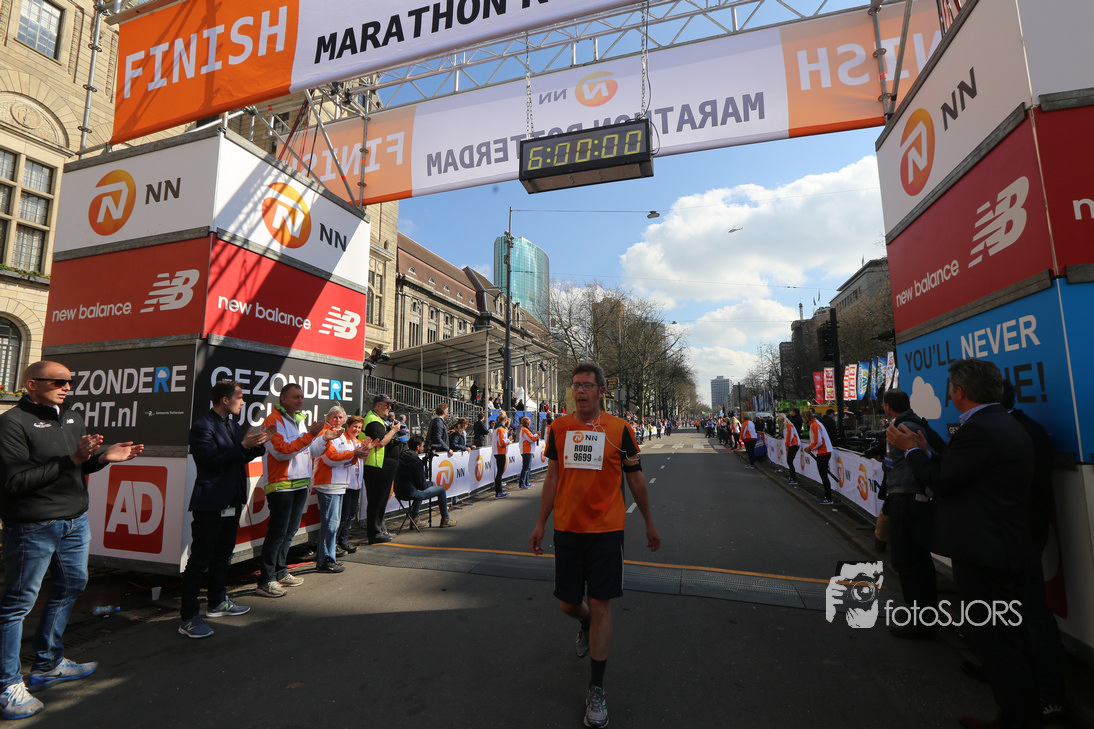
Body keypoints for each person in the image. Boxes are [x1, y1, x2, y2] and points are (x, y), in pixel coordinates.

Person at [888, 358, 1038, 729]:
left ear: (959, 392)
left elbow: (944, 480)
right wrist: (926, 450)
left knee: (997, 642)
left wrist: (912, 451)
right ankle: (1013, 716)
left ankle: (1016, 719)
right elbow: (960, 472)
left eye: (951, 389)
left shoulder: (980, 429)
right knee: (1006, 640)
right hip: (999, 544)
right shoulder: (1001, 423)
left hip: (984, 549)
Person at [0, 361, 144, 719]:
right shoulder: (11, 423)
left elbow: (80, 464)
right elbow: (14, 483)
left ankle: (48, 664)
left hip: (75, 522)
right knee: (18, 604)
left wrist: (103, 458)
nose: (67, 387)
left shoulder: (71, 417)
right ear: (31, 385)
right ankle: (7, 685)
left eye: (70, 382)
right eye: (58, 382)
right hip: (32, 527)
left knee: (72, 586)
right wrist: (73, 459)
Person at [530, 362, 661, 729]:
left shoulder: (620, 430)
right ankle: (583, 621)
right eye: (576, 385)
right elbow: (552, 477)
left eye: (587, 385)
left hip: (607, 530)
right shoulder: (558, 428)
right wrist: (540, 523)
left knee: (602, 604)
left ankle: (597, 688)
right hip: (567, 529)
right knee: (568, 604)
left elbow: (635, 478)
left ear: (602, 391)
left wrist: (649, 522)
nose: (580, 391)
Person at [179, 380, 269, 639]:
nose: (243, 402)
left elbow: (235, 458)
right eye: (239, 397)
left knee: (223, 554)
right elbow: (210, 462)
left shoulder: (232, 424)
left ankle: (217, 602)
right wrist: (242, 447)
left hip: (232, 498)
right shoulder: (202, 426)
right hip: (210, 502)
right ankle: (188, 617)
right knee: (200, 559)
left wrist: (257, 446)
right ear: (225, 400)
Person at [1001, 381, 1066, 721]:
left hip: (1019, 534)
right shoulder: (1021, 428)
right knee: (1013, 611)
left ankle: (1048, 695)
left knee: (1032, 612)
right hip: (1014, 532)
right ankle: (1023, 685)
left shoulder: (1018, 432)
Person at [255, 383, 326, 598]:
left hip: (299, 483)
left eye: (301, 397)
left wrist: (323, 439)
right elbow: (281, 452)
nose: (300, 401)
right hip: (281, 484)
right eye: (295, 397)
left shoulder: (298, 420)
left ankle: (281, 571)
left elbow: (309, 450)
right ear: (283, 398)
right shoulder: (272, 421)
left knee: (290, 532)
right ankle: (266, 580)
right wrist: (309, 435)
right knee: (277, 533)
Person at [880, 389, 939, 638]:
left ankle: (921, 620)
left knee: (909, 560)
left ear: (887, 406)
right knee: (914, 559)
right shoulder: (907, 424)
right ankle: (923, 615)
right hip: (908, 496)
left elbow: (926, 457)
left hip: (907, 498)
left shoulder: (905, 427)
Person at [311, 406, 370, 574]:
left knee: (333, 524)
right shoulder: (326, 433)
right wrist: (353, 454)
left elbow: (347, 459)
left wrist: (358, 453)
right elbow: (331, 458)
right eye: (335, 417)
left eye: (340, 417)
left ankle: (328, 558)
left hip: (339, 484)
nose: (338, 420)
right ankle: (325, 560)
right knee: (330, 525)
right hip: (327, 483)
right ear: (328, 418)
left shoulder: (341, 435)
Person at [362, 394, 404, 544]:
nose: (389, 408)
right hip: (376, 466)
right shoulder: (372, 421)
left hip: (383, 465)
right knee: (376, 500)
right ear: (378, 405)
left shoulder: (379, 419)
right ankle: (375, 533)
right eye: (387, 405)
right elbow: (381, 442)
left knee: (381, 500)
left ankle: (381, 530)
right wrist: (393, 431)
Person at [393, 435, 457, 527]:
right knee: (441, 490)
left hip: (399, 492)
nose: (423, 448)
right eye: (422, 446)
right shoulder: (416, 462)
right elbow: (422, 485)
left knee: (419, 490)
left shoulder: (402, 457)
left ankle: (415, 519)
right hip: (411, 492)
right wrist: (431, 484)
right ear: (418, 447)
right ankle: (445, 519)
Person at [336, 416, 369, 556]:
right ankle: (336, 543)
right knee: (343, 515)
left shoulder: (358, 442)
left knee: (350, 515)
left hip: (356, 484)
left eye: (359, 427)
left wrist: (366, 450)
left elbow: (363, 461)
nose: (357, 430)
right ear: (348, 426)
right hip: (345, 483)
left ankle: (343, 541)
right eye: (355, 426)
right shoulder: (342, 440)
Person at [803, 408, 835, 504]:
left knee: (824, 476)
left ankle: (828, 497)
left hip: (823, 452)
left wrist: (810, 448)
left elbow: (818, 441)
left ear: (806, 418)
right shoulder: (816, 423)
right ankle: (828, 496)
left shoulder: (814, 425)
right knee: (824, 475)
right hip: (825, 451)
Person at [492, 412, 511, 498]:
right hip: (500, 452)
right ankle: (498, 491)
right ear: (505, 420)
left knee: (500, 472)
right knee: (500, 472)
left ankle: (499, 491)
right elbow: (502, 442)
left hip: (498, 452)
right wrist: (509, 441)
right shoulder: (501, 429)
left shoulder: (498, 428)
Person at [517, 415, 539, 489]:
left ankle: (526, 482)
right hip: (526, 450)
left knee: (528, 467)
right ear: (527, 423)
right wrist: (537, 435)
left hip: (527, 450)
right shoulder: (525, 430)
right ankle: (522, 483)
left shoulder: (525, 430)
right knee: (526, 467)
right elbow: (532, 439)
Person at [780, 413, 800, 485]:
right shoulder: (788, 426)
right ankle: (792, 477)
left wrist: (787, 445)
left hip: (793, 444)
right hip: (792, 444)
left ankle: (794, 478)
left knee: (789, 461)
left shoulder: (788, 426)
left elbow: (789, 436)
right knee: (789, 461)